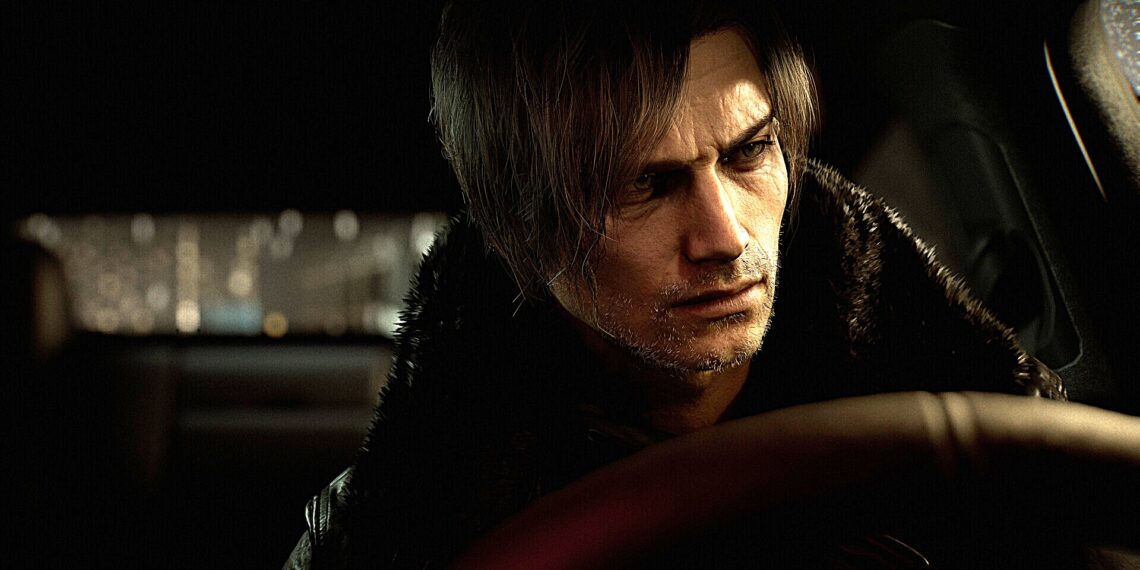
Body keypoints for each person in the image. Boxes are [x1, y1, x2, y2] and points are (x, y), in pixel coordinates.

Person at [284, 0, 1066, 567]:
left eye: (749, 152)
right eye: (646, 184)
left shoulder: (1003, 455)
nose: (726, 237)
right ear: (519, 222)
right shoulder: (407, 531)